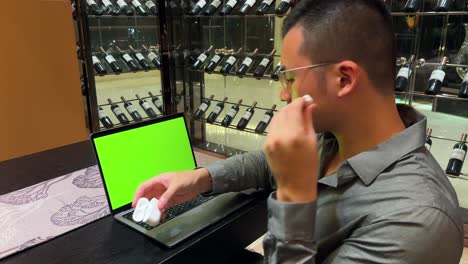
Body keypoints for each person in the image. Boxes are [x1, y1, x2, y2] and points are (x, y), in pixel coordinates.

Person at [133, 0, 464, 263]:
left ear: (344, 79)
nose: (282, 94)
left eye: (289, 77)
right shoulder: (335, 137)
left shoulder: (415, 221)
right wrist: (200, 178)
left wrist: (293, 195)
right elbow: (266, 164)